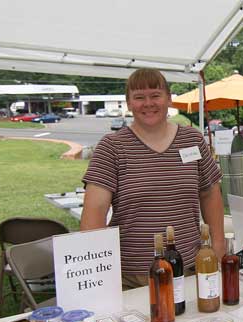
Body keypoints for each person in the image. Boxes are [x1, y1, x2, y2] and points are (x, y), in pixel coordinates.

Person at [80, 68, 225, 290]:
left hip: (187, 271)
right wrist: (98, 272)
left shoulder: (192, 140)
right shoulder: (112, 148)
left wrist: (218, 244)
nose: (148, 103)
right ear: (129, 103)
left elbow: (209, 193)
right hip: (132, 278)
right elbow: (94, 214)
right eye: (139, 97)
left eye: (155, 95)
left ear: (168, 99)